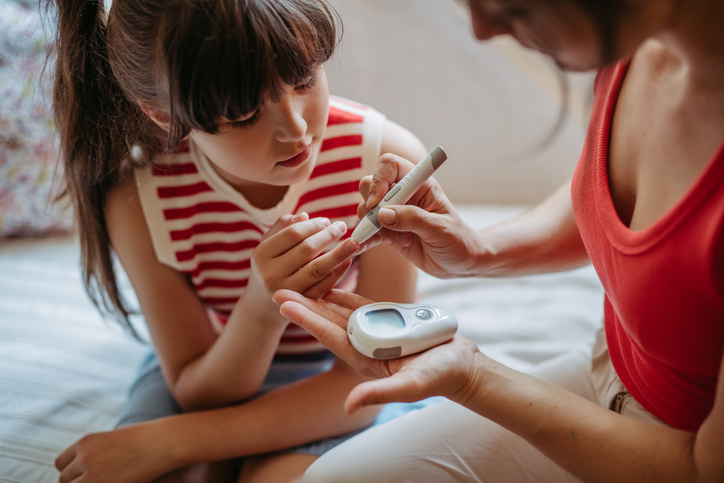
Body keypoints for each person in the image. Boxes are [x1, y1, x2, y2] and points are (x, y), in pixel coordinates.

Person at [273, 0, 724, 481]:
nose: (483, 31)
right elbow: (619, 201)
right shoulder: (635, 41)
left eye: (507, 4)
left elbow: (703, 469)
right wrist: (476, 253)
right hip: (608, 366)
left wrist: (472, 377)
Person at [48, 0, 428, 481]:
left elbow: (372, 372)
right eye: (246, 114)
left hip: (336, 385)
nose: (297, 129)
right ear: (163, 114)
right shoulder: (140, 198)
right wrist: (260, 308)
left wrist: (169, 442)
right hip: (214, 366)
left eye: (305, 80)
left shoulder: (384, 160)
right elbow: (196, 390)